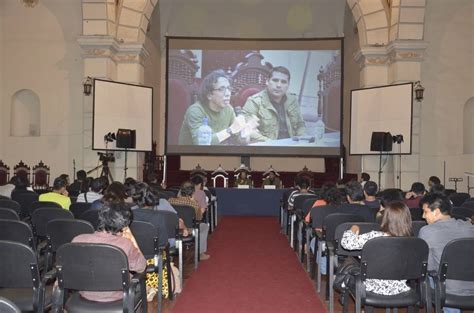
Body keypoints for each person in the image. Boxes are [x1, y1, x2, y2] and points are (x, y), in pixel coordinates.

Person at [72, 202, 146, 302]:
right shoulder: (126, 244)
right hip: (119, 297)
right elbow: (141, 268)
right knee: (141, 286)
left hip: (84, 295)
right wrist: (132, 240)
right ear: (125, 226)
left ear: (101, 218)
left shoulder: (77, 240)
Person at [340, 201, 413, 295]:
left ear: (386, 218)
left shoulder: (374, 236)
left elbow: (346, 243)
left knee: (350, 260)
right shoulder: (413, 241)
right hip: (401, 288)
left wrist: (353, 229)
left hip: (371, 287)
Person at [418, 193, 474, 312]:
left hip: (447, 289)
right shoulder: (469, 227)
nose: (423, 216)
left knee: (433, 274)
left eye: (425, 212)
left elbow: (429, 266)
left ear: (437, 212)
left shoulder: (427, 231)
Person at [178, 70, 245, 145]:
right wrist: (230, 130)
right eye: (221, 89)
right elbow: (201, 144)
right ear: (209, 94)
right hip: (192, 155)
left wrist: (245, 133)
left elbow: (238, 140)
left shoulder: (229, 109)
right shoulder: (195, 111)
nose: (228, 93)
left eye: (229, 88)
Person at [243, 66, 306, 141]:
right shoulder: (254, 102)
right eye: (275, 80)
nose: (279, 85)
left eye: (283, 82)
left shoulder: (292, 100)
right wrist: (271, 143)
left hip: (292, 146)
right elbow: (247, 130)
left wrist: (302, 138)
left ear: (288, 85)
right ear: (267, 81)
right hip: (267, 147)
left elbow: (300, 124)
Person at [168, 181, 210, 260]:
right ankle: (200, 253)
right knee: (204, 226)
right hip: (189, 229)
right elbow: (199, 218)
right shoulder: (194, 204)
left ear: (180, 191)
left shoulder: (170, 201)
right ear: (193, 192)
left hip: (173, 228)